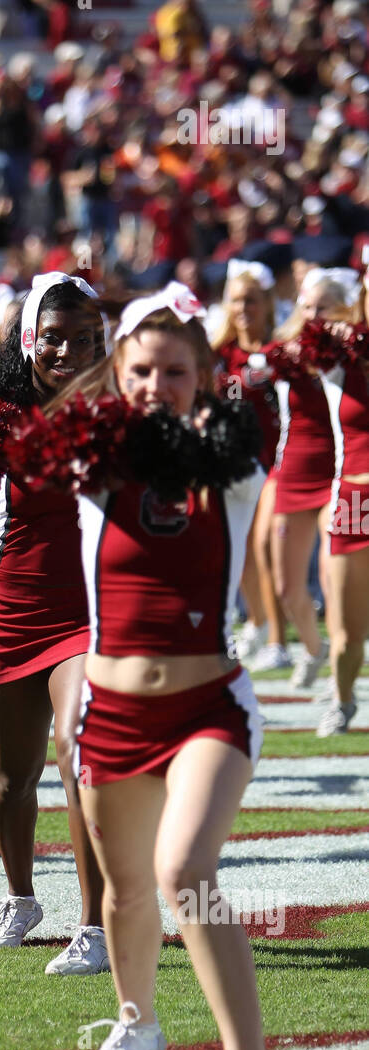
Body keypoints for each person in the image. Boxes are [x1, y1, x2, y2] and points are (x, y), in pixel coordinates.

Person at [66, 282, 290, 1050]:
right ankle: (138, 1022)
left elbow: (243, 432)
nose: (157, 384)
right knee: (125, 889)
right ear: (117, 372)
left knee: (185, 873)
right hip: (110, 708)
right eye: (143, 370)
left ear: (202, 376)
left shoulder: (232, 465)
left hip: (207, 706)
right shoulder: (91, 466)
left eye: (175, 371)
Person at [0, 275, 107, 972]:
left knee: (80, 761)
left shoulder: (119, 409)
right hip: (11, 607)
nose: (67, 350)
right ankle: (20, 897)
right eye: (53, 337)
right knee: (14, 778)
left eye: (83, 339)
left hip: (88, 614)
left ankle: (97, 925)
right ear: (26, 341)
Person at [262, 270, 352, 689]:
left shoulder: (354, 352)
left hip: (338, 472)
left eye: (323, 307)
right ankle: (314, 650)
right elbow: (258, 367)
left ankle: (340, 672)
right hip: (293, 471)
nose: (314, 314)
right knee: (286, 587)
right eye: (308, 306)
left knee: (333, 580)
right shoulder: (285, 352)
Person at [210, 260, 288, 672]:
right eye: (236, 300)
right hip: (231, 465)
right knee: (237, 551)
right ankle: (256, 624)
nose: (243, 309)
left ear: (267, 303)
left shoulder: (281, 350)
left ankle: (278, 639)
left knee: (264, 548)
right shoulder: (218, 354)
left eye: (251, 301)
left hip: (275, 462)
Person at [315, 291, 369, 736]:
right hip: (354, 501)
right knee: (349, 635)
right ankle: (343, 697)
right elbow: (287, 351)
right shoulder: (338, 354)